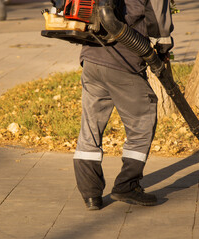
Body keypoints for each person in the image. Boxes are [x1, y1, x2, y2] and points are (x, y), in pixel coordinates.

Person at [73, 0, 174, 210]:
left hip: (91, 58)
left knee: (91, 128)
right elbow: (158, 19)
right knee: (143, 120)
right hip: (123, 60)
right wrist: (163, 45)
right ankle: (127, 185)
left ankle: (90, 194)